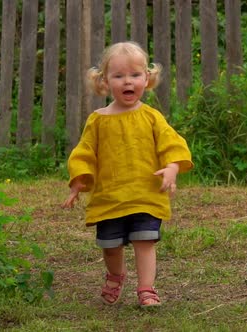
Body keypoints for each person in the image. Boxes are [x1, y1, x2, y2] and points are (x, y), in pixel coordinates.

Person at [62, 41, 193, 307]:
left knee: (145, 242)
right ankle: (115, 274)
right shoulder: (98, 120)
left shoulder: (152, 117)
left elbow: (172, 144)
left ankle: (146, 289)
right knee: (110, 246)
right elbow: (84, 153)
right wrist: (78, 181)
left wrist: (172, 167)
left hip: (146, 194)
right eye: (119, 75)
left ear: (147, 78)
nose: (127, 81)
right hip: (109, 198)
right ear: (105, 81)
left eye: (135, 75)